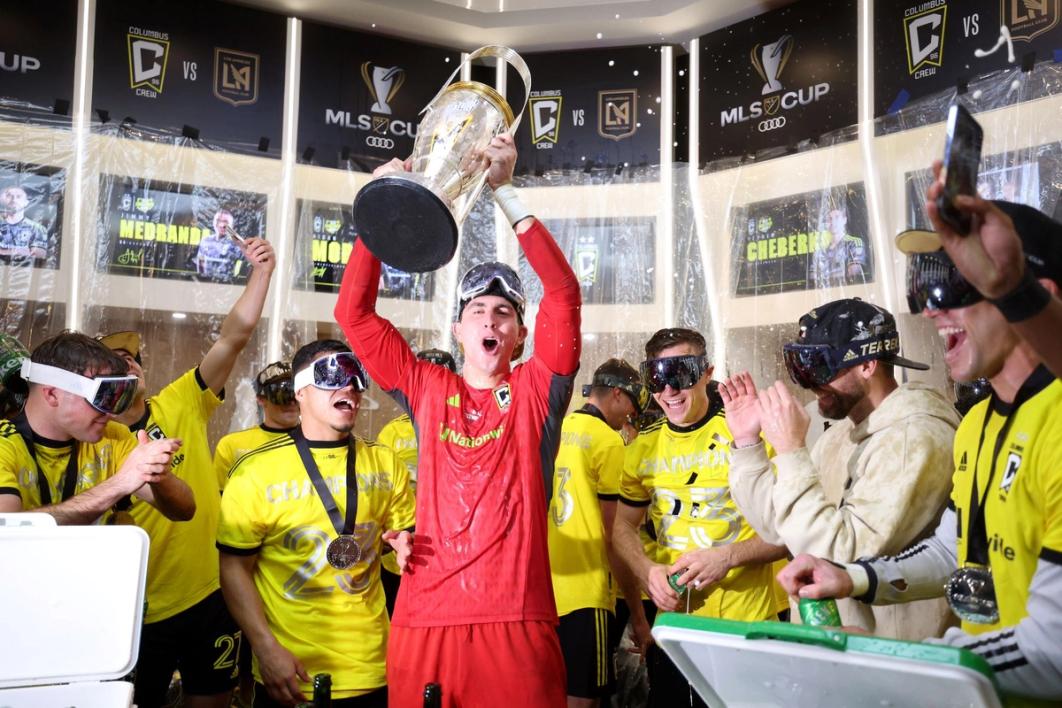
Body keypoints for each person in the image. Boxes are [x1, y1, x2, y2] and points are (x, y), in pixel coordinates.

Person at [778, 201, 1062, 702]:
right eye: (924, 287)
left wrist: (919, 664)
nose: (931, 308)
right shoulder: (977, 424)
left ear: (1034, 295)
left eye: (957, 284)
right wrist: (853, 579)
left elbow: (1053, 649)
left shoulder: (1054, 424)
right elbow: (954, 550)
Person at [334, 133, 580, 708]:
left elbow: (564, 292)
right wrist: (381, 204)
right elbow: (354, 313)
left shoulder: (536, 392)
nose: (490, 319)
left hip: (516, 621)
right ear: (458, 330)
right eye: (477, 311)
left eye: (504, 313)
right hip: (424, 622)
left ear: (520, 335)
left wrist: (507, 192)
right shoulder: (426, 386)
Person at [100, 235, 276, 708]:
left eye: (132, 357)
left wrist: (261, 272)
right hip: (137, 610)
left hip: (209, 595)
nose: (128, 362)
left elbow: (233, 337)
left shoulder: (180, 401)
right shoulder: (94, 439)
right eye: (114, 362)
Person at [722, 298, 959, 638]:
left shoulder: (914, 439)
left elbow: (842, 556)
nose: (808, 383)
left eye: (819, 366)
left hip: (898, 657)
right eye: (799, 368)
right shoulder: (840, 438)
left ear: (867, 364)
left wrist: (791, 450)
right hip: (843, 649)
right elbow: (782, 530)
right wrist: (748, 445)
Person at [218, 340, 415, 707]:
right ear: (300, 391)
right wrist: (265, 648)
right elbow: (233, 569)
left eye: (357, 377)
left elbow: (406, 536)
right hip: (292, 673)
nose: (350, 387)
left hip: (375, 669)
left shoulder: (386, 463)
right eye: (333, 375)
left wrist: (406, 544)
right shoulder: (255, 471)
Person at [613, 327, 788, 708]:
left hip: (748, 629)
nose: (669, 391)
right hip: (677, 632)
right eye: (657, 378)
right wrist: (647, 572)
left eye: (681, 374)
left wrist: (727, 557)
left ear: (707, 372)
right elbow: (622, 527)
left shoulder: (746, 434)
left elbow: (790, 532)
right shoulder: (642, 449)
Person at [0, 331, 192, 524]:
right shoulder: (5, 444)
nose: (112, 414)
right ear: (52, 394)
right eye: (101, 397)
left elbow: (184, 511)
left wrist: (159, 475)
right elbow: (7, 532)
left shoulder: (113, 436)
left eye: (116, 398)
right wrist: (118, 485)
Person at [549, 358, 649, 708]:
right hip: (585, 590)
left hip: (544, 588)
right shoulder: (608, 441)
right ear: (619, 396)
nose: (629, 419)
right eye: (632, 409)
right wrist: (637, 614)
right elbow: (614, 536)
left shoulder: (556, 427)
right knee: (583, 700)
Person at [916, 169, 1062, 379]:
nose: (930, 312)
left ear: (1045, 291)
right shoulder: (976, 413)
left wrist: (1016, 292)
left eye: (958, 283)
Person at [374, 347, 457, 615]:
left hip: (451, 548)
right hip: (403, 549)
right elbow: (381, 492)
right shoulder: (392, 432)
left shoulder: (467, 426)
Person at [213, 361, 299, 491]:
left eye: (297, 392)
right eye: (282, 393)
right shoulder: (232, 446)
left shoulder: (320, 441)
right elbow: (219, 499)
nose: (292, 401)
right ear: (261, 398)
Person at [810, 203, 867, 290]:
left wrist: (824, 278)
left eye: (837, 217)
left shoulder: (854, 242)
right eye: (829, 219)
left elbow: (854, 273)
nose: (833, 222)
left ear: (844, 220)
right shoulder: (820, 252)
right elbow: (812, 278)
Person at [196, 209, 246, 282]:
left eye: (226, 222)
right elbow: (200, 264)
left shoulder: (236, 244)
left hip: (228, 283)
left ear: (231, 225)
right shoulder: (205, 241)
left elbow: (245, 261)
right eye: (218, 220)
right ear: (213, 222)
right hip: (206, 283)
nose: (221, 225)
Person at [0, 185, 48, 260]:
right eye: (9, 195)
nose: (14, 199)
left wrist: (3, 251)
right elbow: (30, 252)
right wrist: (22, 251)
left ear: (26, 202)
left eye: (19, 196)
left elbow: (39, 254)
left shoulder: (38, 228)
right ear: (2, 200)